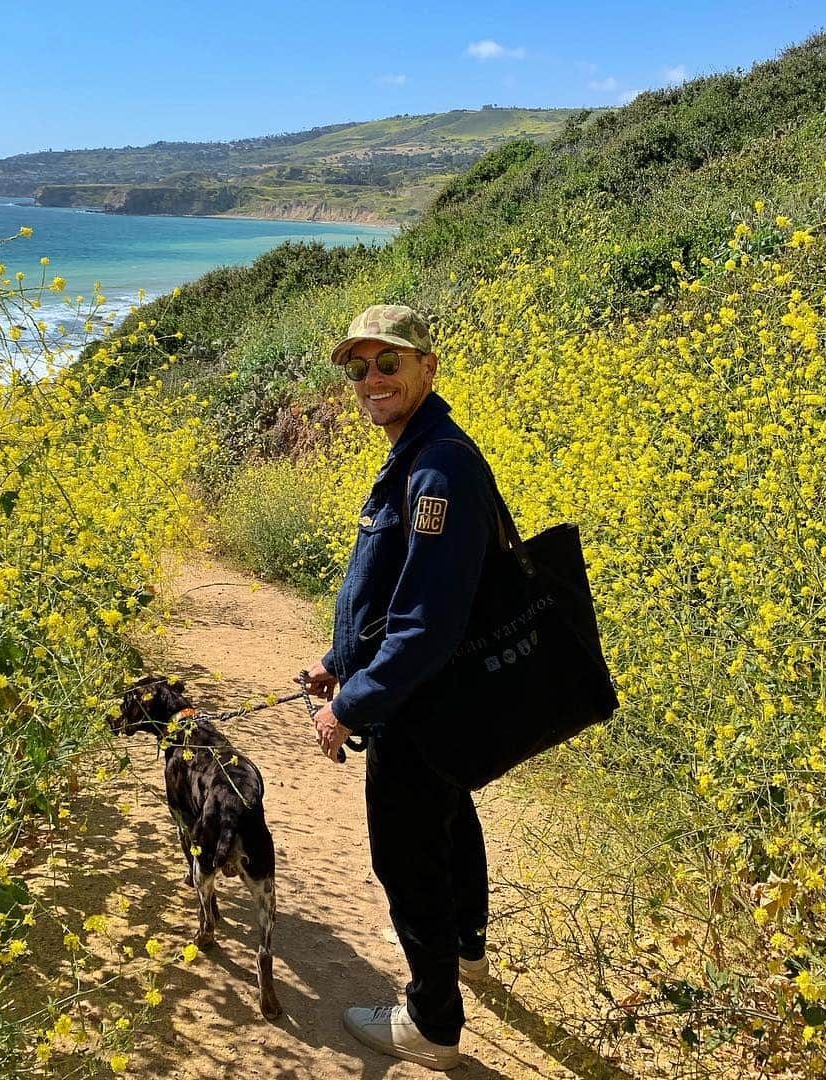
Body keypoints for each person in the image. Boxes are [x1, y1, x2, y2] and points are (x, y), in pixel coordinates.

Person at [300, 304, 501, 1071]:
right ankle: (467, 950)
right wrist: (337, 660)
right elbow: (394, 597)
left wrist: (346, 706)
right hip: (428, 696)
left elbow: (425, 627)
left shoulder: (438, 464)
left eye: (389, 362)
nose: (371, 379)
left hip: (420, 702)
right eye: (358, 368)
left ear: (428, 368)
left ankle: (431, 1024)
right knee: (450, 821)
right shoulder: (419, 452)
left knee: (408, 853)